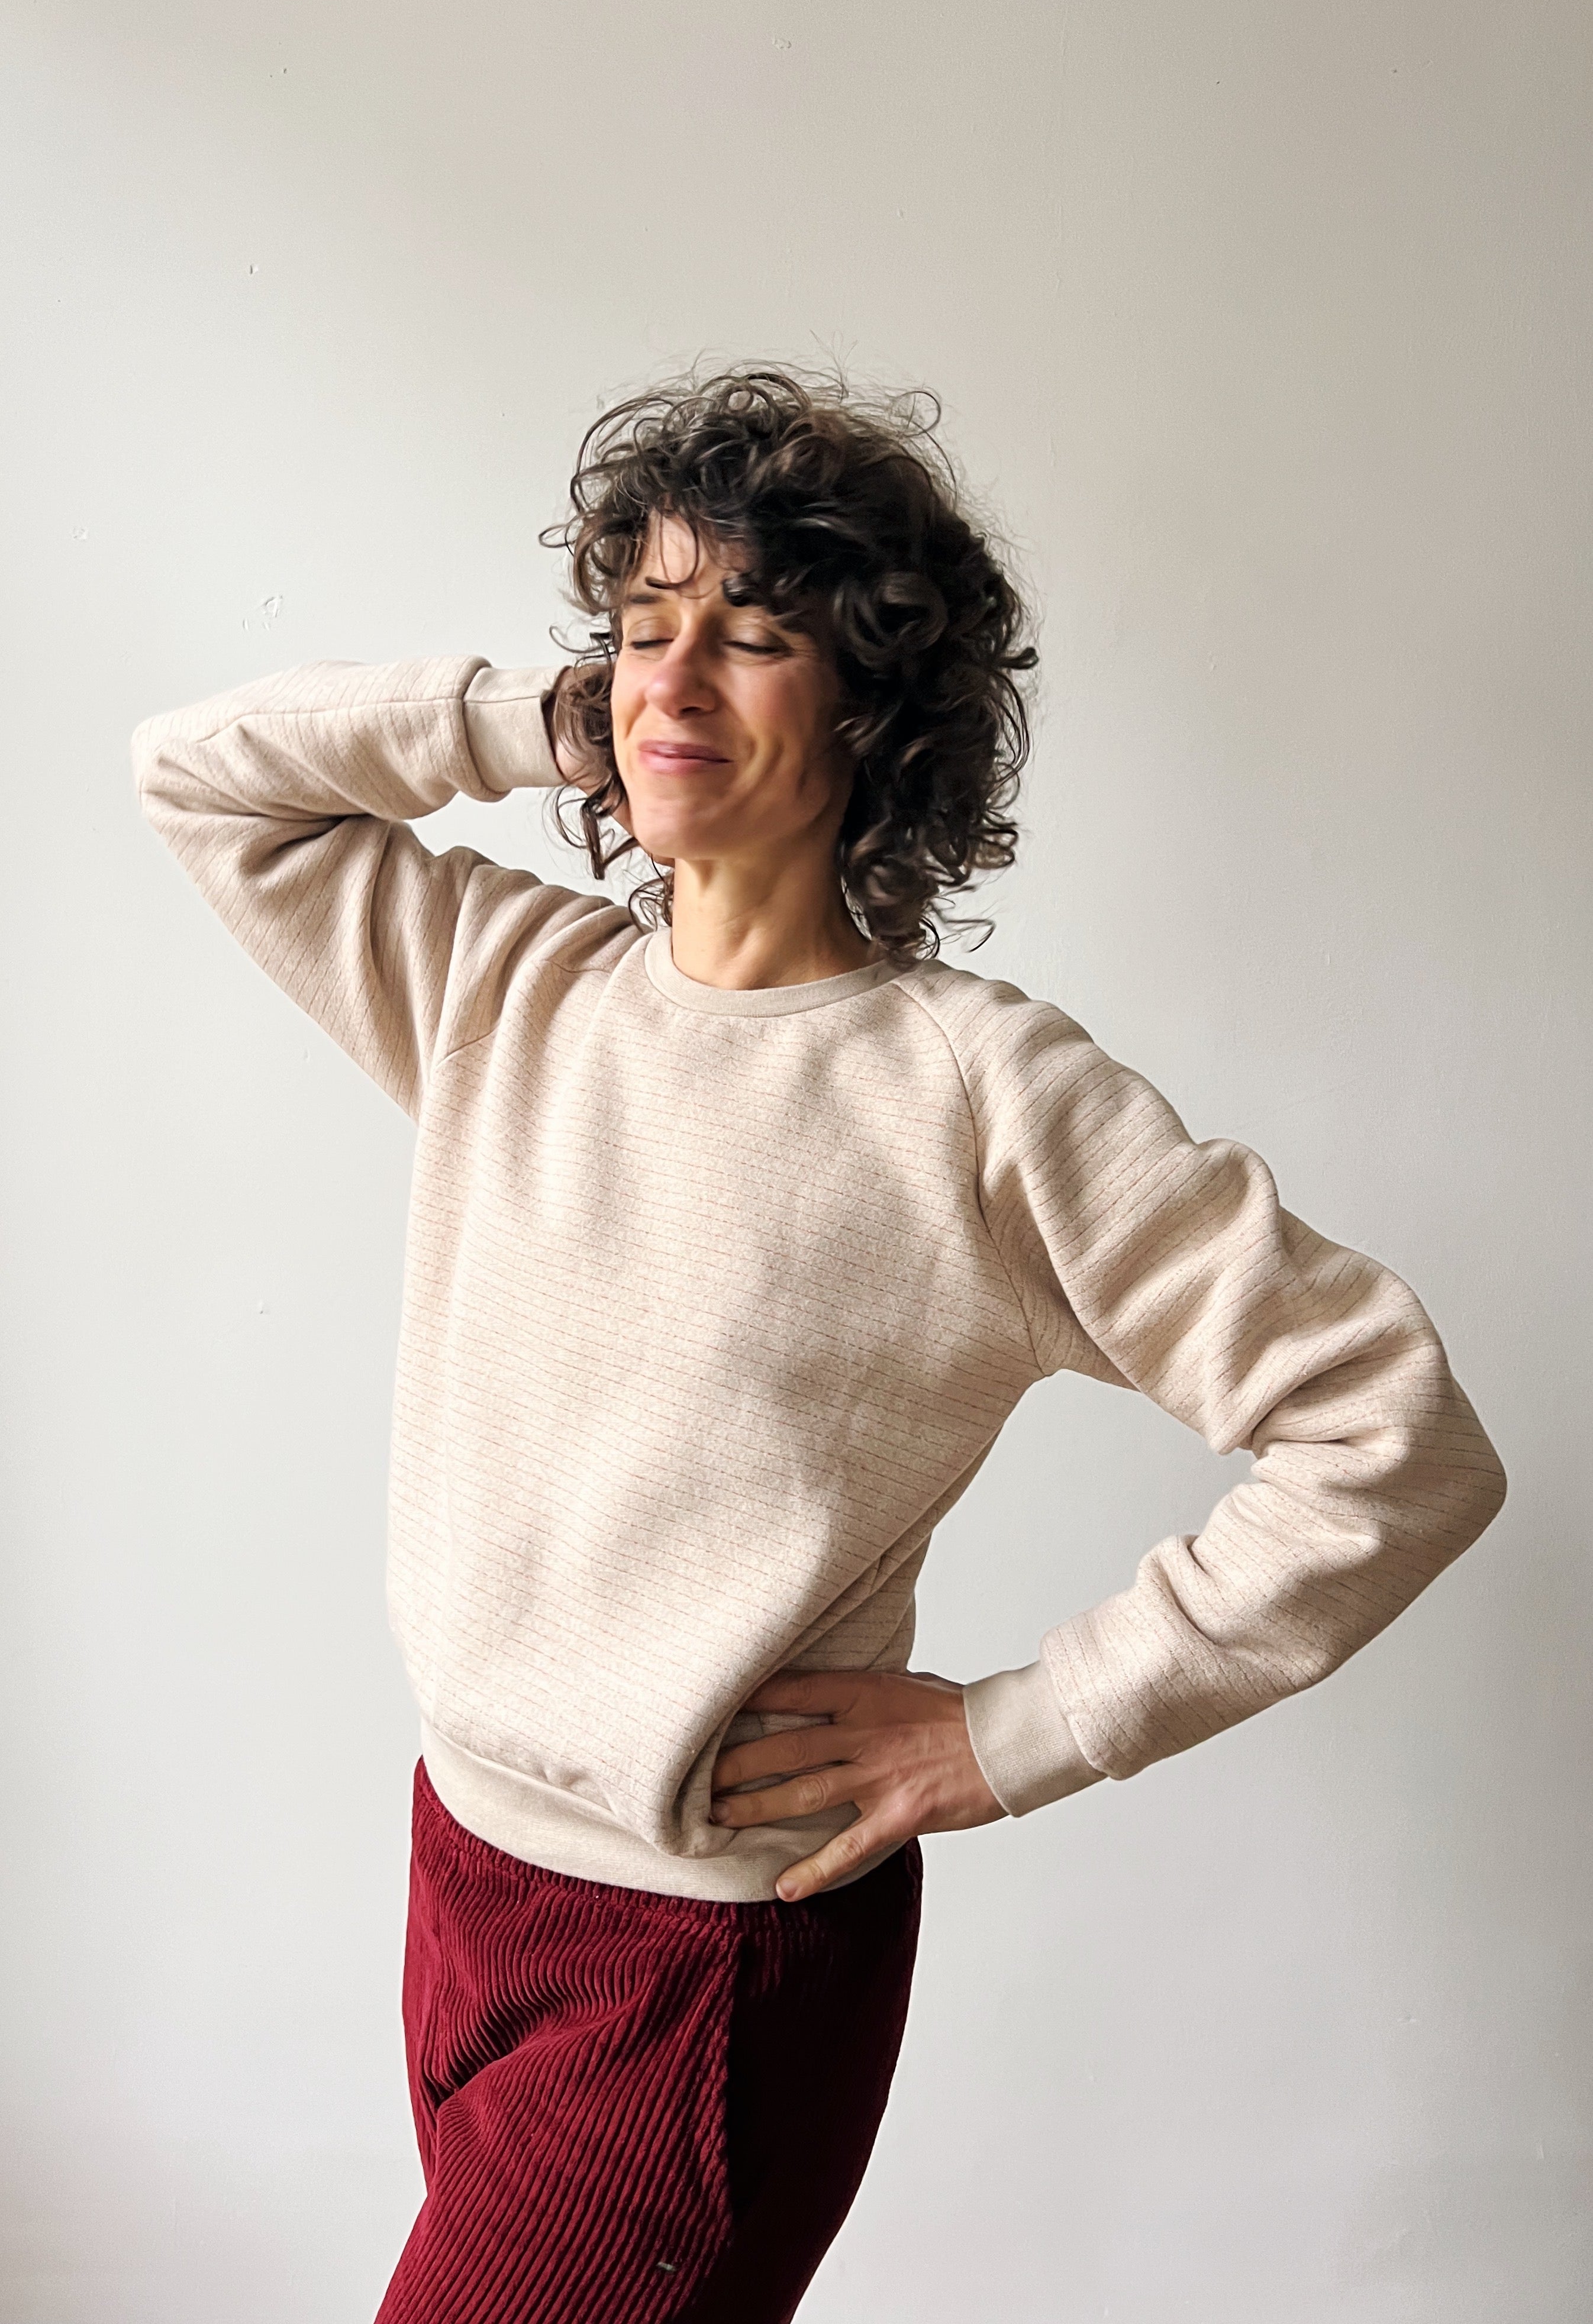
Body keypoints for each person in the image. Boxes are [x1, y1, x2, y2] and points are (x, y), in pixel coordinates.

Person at [133, 367, 1505, 2324]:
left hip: (702, 1966)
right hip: (464, 1870)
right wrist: (543, 723)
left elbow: (1393, 1433)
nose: (672, 679)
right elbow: (197, 774)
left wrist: (1017, 1734)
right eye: (638, 626)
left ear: (872, 706)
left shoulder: (976, 1093)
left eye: (753, 636)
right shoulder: (501, 985)